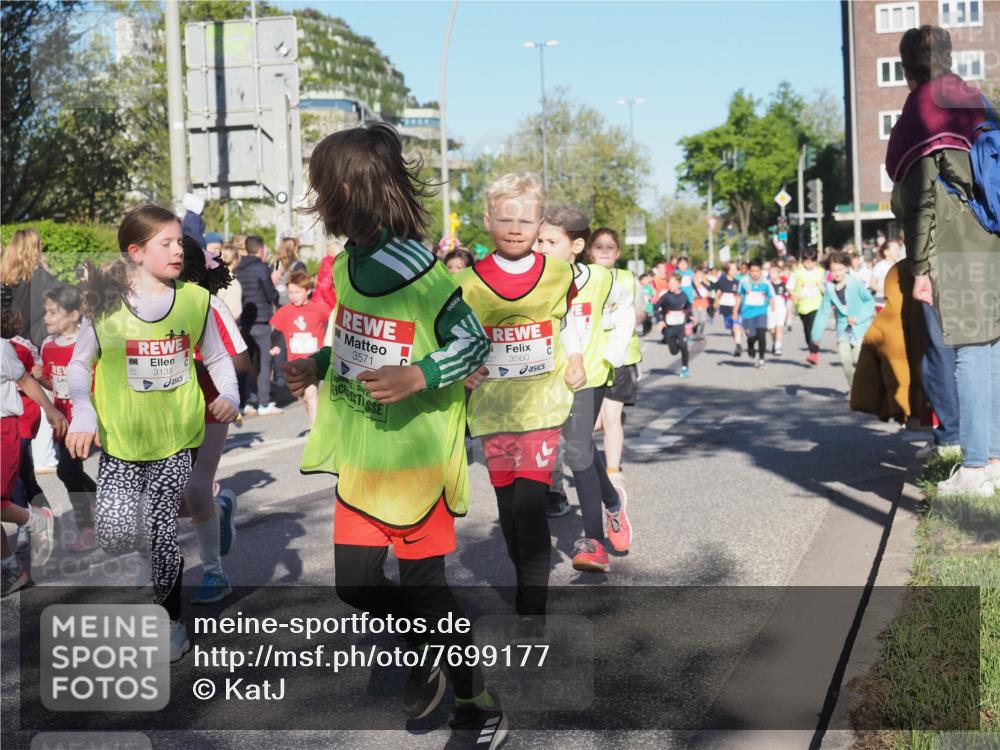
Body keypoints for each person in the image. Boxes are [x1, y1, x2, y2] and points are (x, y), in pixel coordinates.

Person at [284, 122, 505, 747]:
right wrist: (321, 364)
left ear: (349, 190)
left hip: (413, 461)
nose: (314, 194)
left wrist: (419, 374)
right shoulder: (349, 260)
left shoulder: (416, 269)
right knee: (354, 585)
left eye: (320, 183)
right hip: (363, 456)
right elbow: (359, 341)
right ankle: (423, 644)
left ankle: (477, 703)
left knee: (428, 593)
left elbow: (473, 343)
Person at [65, 204, 240, 661]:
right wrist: (83, 412)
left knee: (160, 528)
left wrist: (232, 396)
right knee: (117, 532)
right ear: (136, 252)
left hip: (177, 436)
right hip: (123, 438)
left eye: (180, 241)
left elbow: (219, 357)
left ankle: (171, 623)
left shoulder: (194, 300)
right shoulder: (104, 305)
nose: (178, 250)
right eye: (166, 243)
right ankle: (209, 509)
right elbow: (80, 362)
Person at [458, 172, 585, 618]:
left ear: (539, 225)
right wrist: (465, 367)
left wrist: (576, 357)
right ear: (487, 220)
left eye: (526, 220)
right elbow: (458, 336)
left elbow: (570, 320)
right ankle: (524, 569)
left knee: (530, 504)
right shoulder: (469, 282)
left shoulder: (558, 274)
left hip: (542, 403)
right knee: (508, 505)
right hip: (493, 408)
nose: (516, 227)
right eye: (506, 218)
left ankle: (533, 600)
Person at [887, 25, 999, 497]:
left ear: (908, 66)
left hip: (955, 240)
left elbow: (921, 197)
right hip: (991, 233)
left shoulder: (923, 105)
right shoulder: (974, 96)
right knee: (990, 349)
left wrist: (921, 267)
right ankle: (991, 459)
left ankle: (975, 469)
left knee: (970, 350)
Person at [534, 207, 631, 572]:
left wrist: (615, 351)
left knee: (576, 451)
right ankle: (612, 501)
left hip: (589, 375)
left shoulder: (599, 278)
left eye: (551, 242)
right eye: (539, 240)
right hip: (547, 379)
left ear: (576, 245)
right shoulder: (534, 278)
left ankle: (594, 542)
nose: (542, 247)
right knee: (582, 449)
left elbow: (624, 308)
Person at [179, 234, 250, 606]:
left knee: (195, 487)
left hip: (211, 405)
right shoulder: (146, 308)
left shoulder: (209, 306)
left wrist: (208, 368)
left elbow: (242, 362)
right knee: (174, 501)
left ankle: (214, 574)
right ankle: (219, 509)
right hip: (165, 412)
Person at [1, 337, 65, 596]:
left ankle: (36, 519)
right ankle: (11, 569)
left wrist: (50, 409)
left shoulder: (1, 348)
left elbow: (26, 380)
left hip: (3, 429)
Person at [38, 286, 98, 552]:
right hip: (64, 420)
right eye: (45, 312)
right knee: (70, 472)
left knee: (67, 471)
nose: (47, 318)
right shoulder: (47, 346)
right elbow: (53, 382)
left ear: (75, 315)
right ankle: (93, 520)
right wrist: (39, 378)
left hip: (90, 420)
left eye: (53, 312)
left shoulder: (88, 343)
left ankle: (91, 524)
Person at [589, 228, 644, 494]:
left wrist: (621, 319)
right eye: (598, 246)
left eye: (610, 246)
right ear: (589, 250)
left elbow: (640, 313)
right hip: (592, 358)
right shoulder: (582, 277)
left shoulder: (629, 278)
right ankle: (587, 462)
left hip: (623, 358)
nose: (604, 250)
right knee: (592, 422)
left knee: (612, 417)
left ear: (618, 252)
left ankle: (612, 472)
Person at [269, 271, 331, 423]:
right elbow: (275, 331)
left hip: (313, 359)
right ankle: (317, 423)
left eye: (297, 292)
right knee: (305, 397)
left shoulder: (318, 309)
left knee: (310, 394)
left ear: (308, 291)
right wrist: (275, 345)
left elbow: (332, 320)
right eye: (290, 292)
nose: (293, 296)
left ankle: (316, 430)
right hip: (294, 360)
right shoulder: (285, 311)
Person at [811, 251, 876, 387]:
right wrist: (816, 337)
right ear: (829, 271)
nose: (837, 273)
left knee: (858, 359)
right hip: (842, 329)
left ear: (847, 268)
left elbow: (869, 302)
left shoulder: (855, 283)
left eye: (840, 269)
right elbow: (823, 312)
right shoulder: (829, 288)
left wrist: (858, 317)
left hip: (860, 328)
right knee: (845, 360)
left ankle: (867, 383)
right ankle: (854, 388)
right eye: (834, 270)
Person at [235, 235, 282, 416]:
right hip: (261, 320)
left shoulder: (239, 268)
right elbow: (270, 293)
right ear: (261, 249)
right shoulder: (261, 268)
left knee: (246, 362)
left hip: (243, 322)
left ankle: (244, 400)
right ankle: (263, 403)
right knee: (263, 362)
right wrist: (276, 296)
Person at [734, 258, 775, 369]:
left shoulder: (766, 283)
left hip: (761, 312)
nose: (754, 274)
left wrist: (773, 310)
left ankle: (762, 359)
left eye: (757, 271)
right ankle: (750, 344)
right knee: (751, 336)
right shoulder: (744, 282)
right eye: (752, 271)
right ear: (748, 271)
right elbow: (739, 296)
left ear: (761, 271)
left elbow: (771, 297)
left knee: (761, 333)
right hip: (747, 314)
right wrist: (735, 311)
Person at [788, 247, 826, 365]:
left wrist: (823, 290)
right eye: (807, 261)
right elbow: (789, 286)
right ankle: (812, 349)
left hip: (817, 304)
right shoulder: (797, 273)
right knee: (807, 330)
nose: (809, 264)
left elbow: (827, 285)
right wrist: (794, 295)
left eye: (812, 261)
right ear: (803, 261)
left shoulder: (820, 271)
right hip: (803, 306)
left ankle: (814, 353)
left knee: (815, 328)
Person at [656, 274, 693, 377]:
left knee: (684, 345)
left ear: (679, 284)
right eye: (670, 283)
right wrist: (660, 320)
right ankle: (676, 345)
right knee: (674, 351)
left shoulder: (684, 295)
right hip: (669, 328)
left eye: (673, 283)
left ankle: (685, 368)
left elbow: (688, 307)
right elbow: (656, 308)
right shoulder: (666, 297)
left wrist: (690, 317)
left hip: (681, 327)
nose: (671, 285)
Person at [713, 262, 744, 356]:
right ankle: (737, 342)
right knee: (732, 328)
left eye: (736, 269)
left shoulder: (738, 283)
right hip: (725, 308)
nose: (735, 271)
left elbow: (740, 296)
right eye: (732, 269)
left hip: (735, 307)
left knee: (736, 326)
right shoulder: (721, 281)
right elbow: (718, 293)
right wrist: (716, 301)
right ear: (727, 271)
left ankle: (738, 345)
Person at [274, 236, 307, 306]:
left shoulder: (275, 265)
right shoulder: (298, 265)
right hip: (292, 304)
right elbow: (303, 284)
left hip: (276, 303)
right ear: (294, 249)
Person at [869, 239, 902, 310]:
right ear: (886, 252)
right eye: (895, 250)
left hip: (897, 301)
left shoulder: (900, 265)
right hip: (882, 304)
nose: (898, 252)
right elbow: (872, 284)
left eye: (899, 249)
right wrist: (885, 291)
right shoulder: (880, 266)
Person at [767, 264, 788, 355]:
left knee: (779, 327)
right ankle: (775, 342)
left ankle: (778, 346)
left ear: (779, 274)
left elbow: (788, 297)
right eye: (770, 273)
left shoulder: (784, 285)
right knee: (772, 329)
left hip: (781, 308)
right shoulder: (768, 285)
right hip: (770, 308)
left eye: (773, 273)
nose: (771, 274)